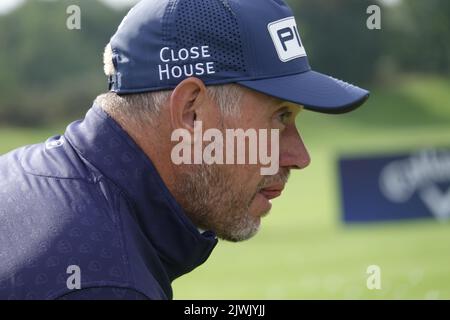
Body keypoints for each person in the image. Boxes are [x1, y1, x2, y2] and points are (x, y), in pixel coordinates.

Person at [0, 0, 369, 300]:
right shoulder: (104, 284)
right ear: (192, 111)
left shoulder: (26, 171)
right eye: (279, 117)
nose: (299, 156)